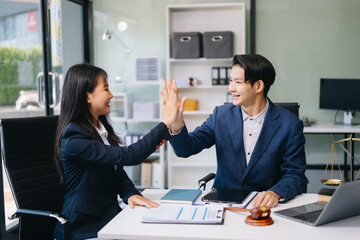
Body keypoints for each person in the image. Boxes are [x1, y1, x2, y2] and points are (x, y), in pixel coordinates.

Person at [53, 63, 179, 239]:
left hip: (108, 218)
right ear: (87, 96)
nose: (111, 95)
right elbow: (129, 156)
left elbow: (116, 171)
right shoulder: (73, 138)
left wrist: (131, 194)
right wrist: (165, 122)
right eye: (106, 89)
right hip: (83, 227)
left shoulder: (99, 128)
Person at [168, 54, 307, 208]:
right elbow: (185, 149)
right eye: (231, 80)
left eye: (238, 82)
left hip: (264, 208)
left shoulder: (290, 124)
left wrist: (275, 193)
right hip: (224, 204)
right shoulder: (221, 115)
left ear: (259, 86)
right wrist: (176, 124)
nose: (231, 88)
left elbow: (295, 174)